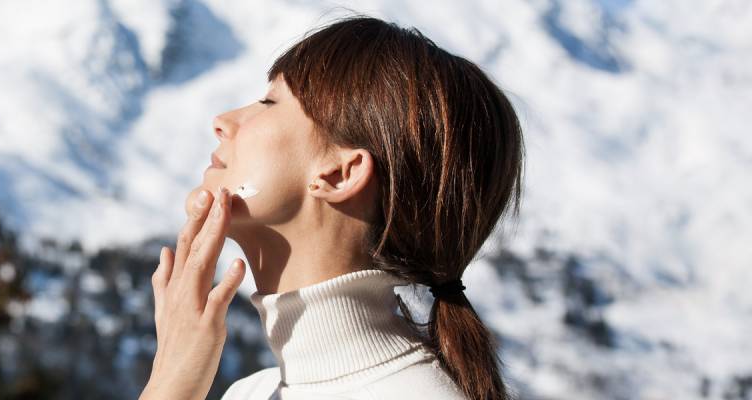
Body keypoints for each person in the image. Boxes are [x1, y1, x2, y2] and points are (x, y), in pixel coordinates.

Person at [139, 14, 524, 400]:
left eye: (269, 102)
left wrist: (171, 384)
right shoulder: (251, 392)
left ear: (341, 173)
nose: (222, 121)